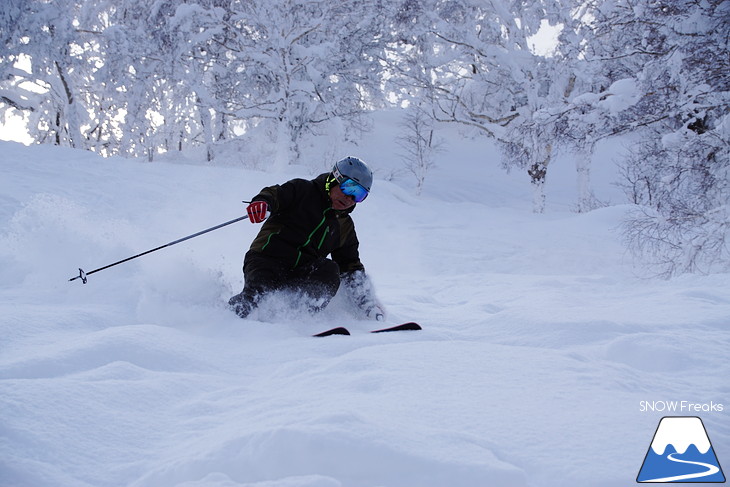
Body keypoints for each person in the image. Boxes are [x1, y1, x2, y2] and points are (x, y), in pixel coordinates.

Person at [228, 156, 385, 321]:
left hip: (301, 272)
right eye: (349, 188)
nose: (349, 199)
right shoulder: (303, 190)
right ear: (335, 178)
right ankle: (229, 318)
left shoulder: (344, 225)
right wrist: (263, 203)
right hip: (267, 259)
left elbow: (351, 267)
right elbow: (275, 195)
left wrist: (367, 303)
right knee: (259, 297)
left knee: (330, 270)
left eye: (359, 195)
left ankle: (298, 318)